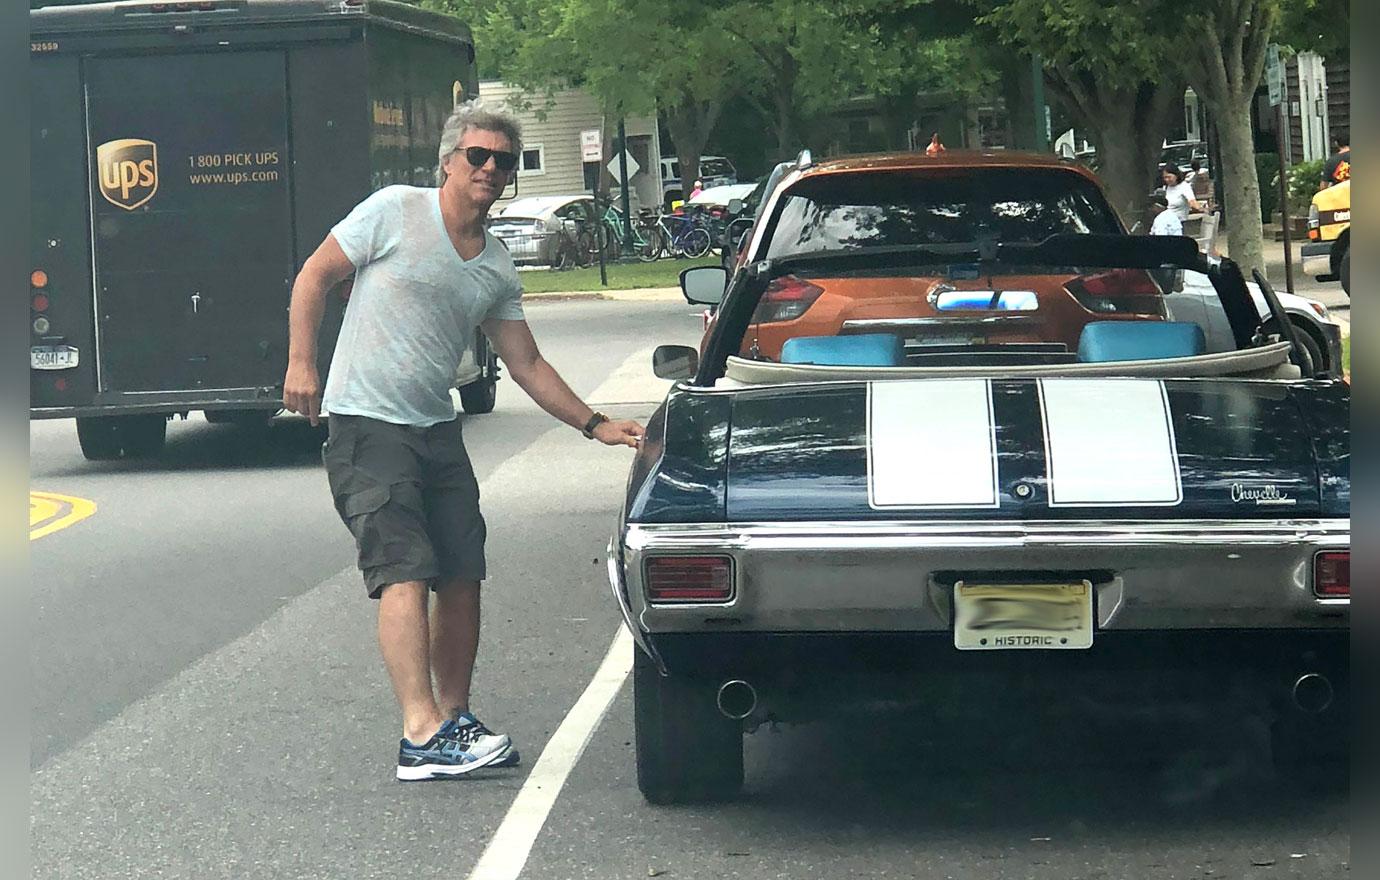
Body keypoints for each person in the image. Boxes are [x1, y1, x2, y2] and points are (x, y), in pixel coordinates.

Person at [281, 100, 644, 782]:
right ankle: (419, 733)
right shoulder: (393, 210)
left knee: (462, 571)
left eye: (502, 161)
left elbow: (528, 362)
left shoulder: (496, 266)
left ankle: (453, 717)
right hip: (366, 420)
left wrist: (595, 424)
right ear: (448, 161)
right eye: (477, 156)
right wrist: (302, 361)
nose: (489, 169)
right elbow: (315, 276)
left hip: (434, 425)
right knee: (405, 569)